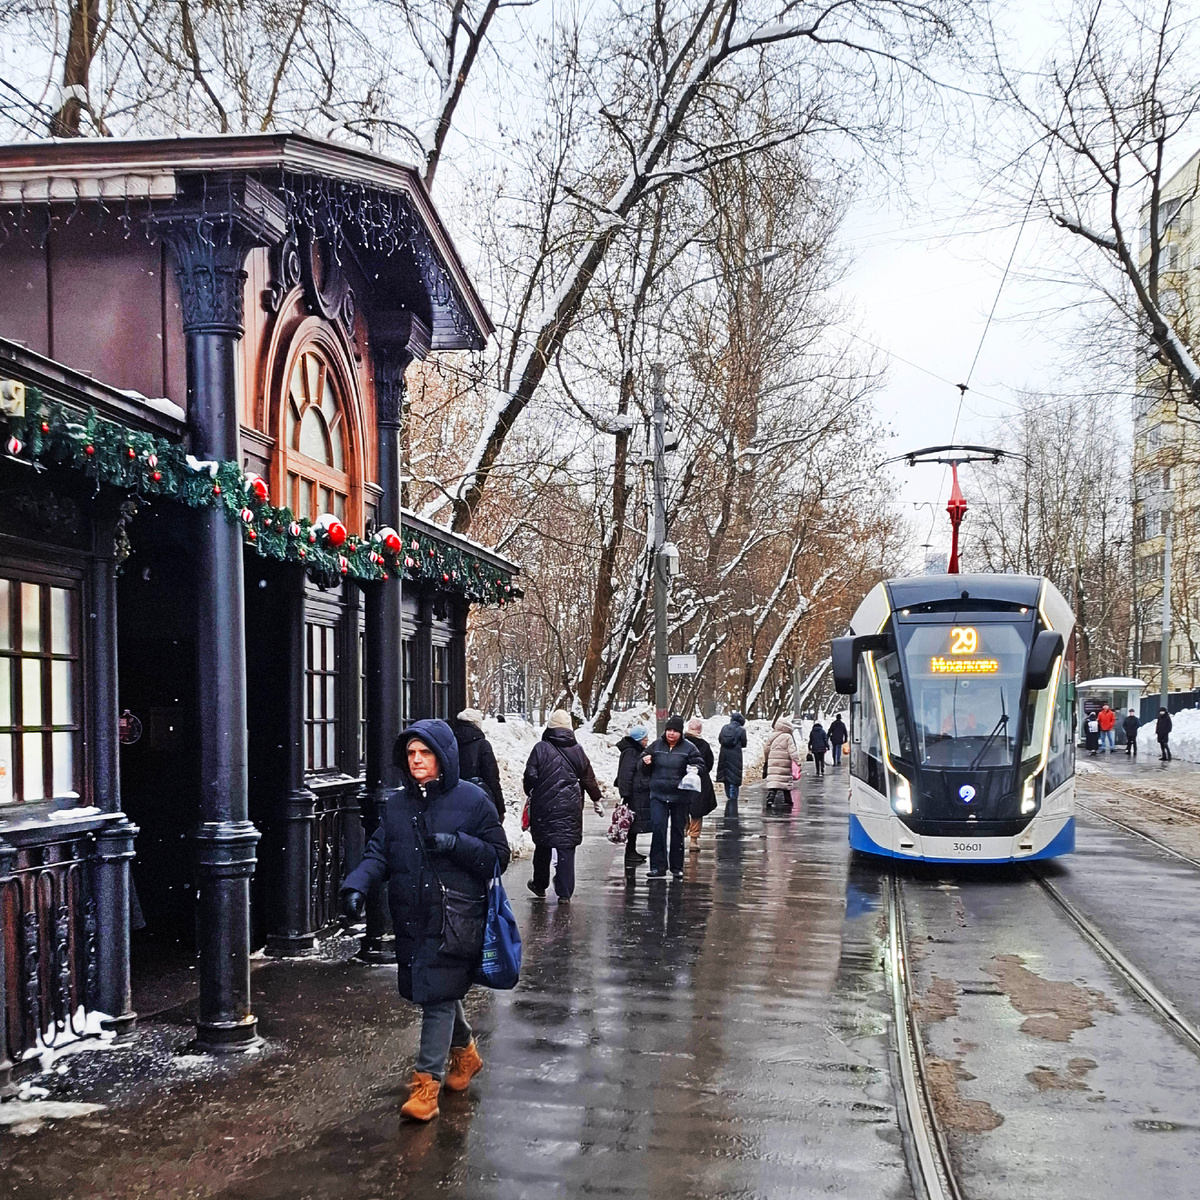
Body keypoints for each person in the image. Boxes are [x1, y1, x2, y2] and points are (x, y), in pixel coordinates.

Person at [340, 719, 509, 1123]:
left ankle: (426, 1087)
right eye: (411, 753)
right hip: (412, 917)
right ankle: (465, 1054)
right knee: (439, 991)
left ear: (443, 757)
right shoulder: (398, 806)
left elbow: (498, 856)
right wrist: (357, 885)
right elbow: (379, 852)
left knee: (437, 998)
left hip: (455, 917)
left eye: (425, 753)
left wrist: (457, 844)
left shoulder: (473, 800)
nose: (417, 760)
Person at [523, 710, 603, 901]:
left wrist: (531, 791)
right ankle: (564, 892)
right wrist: (596, 798)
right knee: (566, 847)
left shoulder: (540, 748)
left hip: (544, 805)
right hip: (570, 806)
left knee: (543, 845)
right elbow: (588, 778)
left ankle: (540, 884)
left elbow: (530, 776)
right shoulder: (578, 750)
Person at [641, 714, 704, 879]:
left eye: (675, 731)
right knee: (658, 828)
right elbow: (642, 765)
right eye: (669, 730)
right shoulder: (656, 746)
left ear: (680, 732)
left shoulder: (689, 748)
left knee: (677, 830)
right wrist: (645, 762)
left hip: (680, 796)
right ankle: (657, 866)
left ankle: (677, 867)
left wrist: (695, 769)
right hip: (658, 795)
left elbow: (700, 764)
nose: (671, 733)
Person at [452, 708, 506, 819]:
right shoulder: (482, 745)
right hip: (477, 801)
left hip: (453, 801)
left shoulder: (451, 742)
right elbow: (492, 778)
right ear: (476, 724)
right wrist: (500, 809)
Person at [615, 724, 652, 868]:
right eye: (645, 737)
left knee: (634, 823)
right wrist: (625, 794)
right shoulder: (631, 752)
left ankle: (632, 851)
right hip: (633, 793)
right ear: (639, 739)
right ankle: (630, 852)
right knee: (631, 823)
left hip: (636, 792)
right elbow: (626, 774)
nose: (647, 739)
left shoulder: (634, 750)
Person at [685, 717, 717, 852]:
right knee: (697, 811)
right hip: (699, 781)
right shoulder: (704, 745)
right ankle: (693, 839)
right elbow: (709, 763)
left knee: (682, 807)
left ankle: (683, 827)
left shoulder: (681, 743)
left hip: (681, 780)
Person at [764, 717, 800, 810]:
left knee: (774, 781)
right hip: (784, 762)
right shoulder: (788, 737)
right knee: (785, 781)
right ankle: (788, 800)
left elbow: (766, 749)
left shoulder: (772, 736)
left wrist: (767, 759)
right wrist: (797, 761)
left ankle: (770, 798)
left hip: (773, 761)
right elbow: (792, 751)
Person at [717, 712, 748, 818]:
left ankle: (729, 796)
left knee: (726, 775)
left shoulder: (724, 728)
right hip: (735, 755)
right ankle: (733, 800)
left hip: (724, 755)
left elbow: (720, 740)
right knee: (734, 776)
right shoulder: (741, 730)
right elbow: (744, 743)